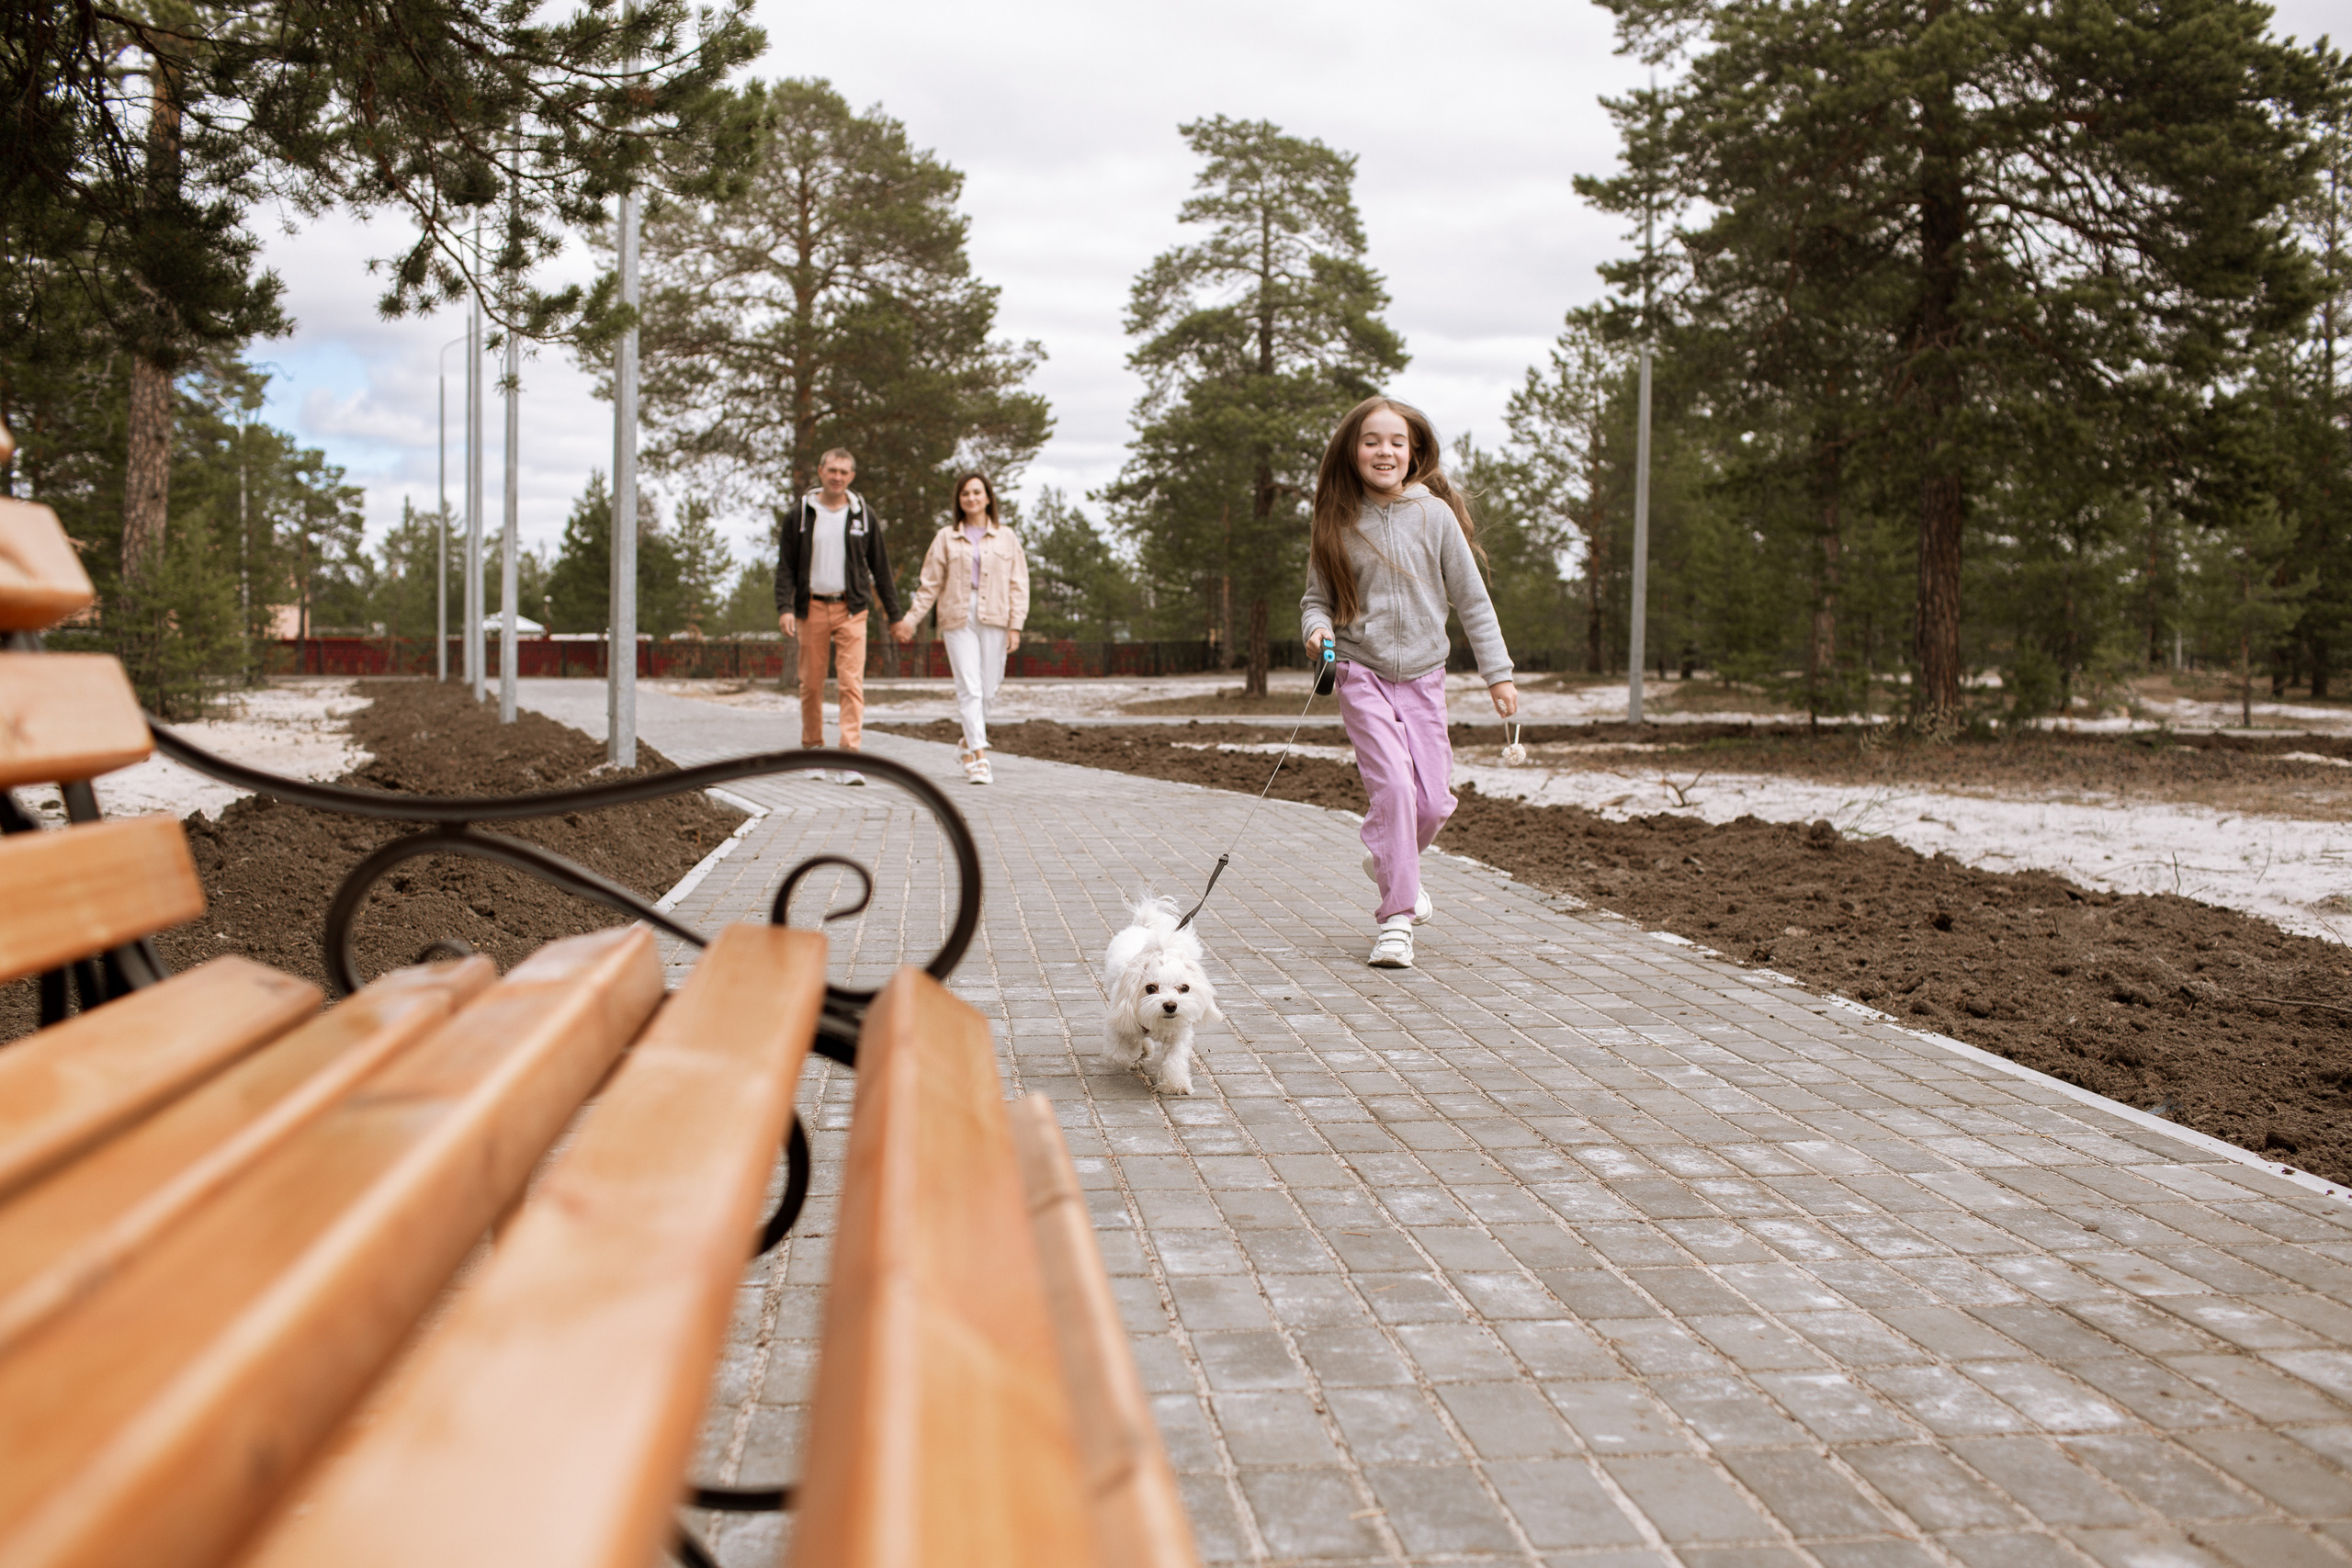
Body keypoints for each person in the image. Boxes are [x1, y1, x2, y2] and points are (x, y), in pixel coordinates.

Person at [1301, 396, 1518, 970]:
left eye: (1397, 441)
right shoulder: (1337, 521)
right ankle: (1397, 921)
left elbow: (1473, 600)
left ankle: (1390, 858)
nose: (1384, 451)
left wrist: (1499, 674)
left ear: (1414, 451)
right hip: (1359, 671)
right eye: (1371, 440)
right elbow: (1315, 600)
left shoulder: (1435, 516)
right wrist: (1317, 630)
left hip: (1425, 676)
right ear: (1352, 451)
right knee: (1395, 790)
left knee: (1435, 802)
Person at [774, 447, 902, 784]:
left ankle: (849, 757)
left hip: (852, 608)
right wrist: (785, 608)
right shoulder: (800, 514)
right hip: (811, 607)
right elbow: (785, 566)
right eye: (832, 470)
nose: (837, 477)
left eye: (844, 472)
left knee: (851, 684)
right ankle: (814, 748)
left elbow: (882, 570)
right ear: (820, 471)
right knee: (811, 684)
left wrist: (895, 615)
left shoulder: (863, 516)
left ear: (852, 477)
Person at [893, 471, 1030, 784]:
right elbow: (929, 585)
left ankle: (966, 744)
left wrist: (1016, 626)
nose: (971, 498)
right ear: (958, 500)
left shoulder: (1007, 537)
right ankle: (980, 759)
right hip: (958, 616)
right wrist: (911, 620)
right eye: (965, 493)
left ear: (988, 497)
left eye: (977, 492)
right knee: (970, 687)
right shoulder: (946, 537)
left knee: (990, 687)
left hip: (996, 615)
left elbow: (1018, 585)